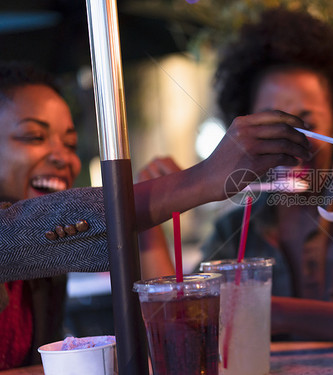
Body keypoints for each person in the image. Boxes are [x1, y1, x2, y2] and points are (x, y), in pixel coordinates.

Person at [0, 61, 310, 369]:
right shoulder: (33, 243)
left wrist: (149, 217)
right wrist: (197, 180)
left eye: (70, 144)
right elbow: (11, 234)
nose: (62, 157)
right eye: (32, 137)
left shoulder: (47, 267)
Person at [199, 8, 333, 348]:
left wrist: (273, 313)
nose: (287, 140)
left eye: (306, 124)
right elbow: (194, 319)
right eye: (269, 124)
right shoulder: (231, 232)